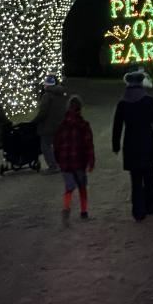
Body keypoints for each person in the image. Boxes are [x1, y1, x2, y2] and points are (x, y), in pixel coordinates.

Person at [112, 69, 153, 221]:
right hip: (147, 142)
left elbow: (117, 126)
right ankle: (150, 205)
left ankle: (138, 210)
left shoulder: (122, 103)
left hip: (131, 144)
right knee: (149, 175)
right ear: (141, 84)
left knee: (136, 179)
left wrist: (116, 145)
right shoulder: (148, 101)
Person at [53, 95, 95, 225]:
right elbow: (88, 145)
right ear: (80, 109)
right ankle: (84, 211)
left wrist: (58, 160)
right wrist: (91, 161)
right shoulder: (83, 125)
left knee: (69, 187)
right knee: (82, 186)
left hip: (66, 161)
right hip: (79, 161)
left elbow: (57, 145)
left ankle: (66, 207)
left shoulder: (62, 126)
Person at [32, 74, 68, 173]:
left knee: (45, 145)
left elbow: (43, 112)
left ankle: (53, 166)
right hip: (60, 124)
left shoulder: (47, 96)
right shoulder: (62, 94)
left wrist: (35, 121)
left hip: (48, 126)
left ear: (46, 85)